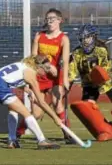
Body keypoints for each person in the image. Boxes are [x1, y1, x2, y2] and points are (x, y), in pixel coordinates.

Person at [16, 8, 74, 144]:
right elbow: (33, 58)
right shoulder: (39, 36)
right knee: (36, 113)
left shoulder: (63, 39)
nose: (49, 21)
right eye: (47, 19)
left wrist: (65, 79)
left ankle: (68, 134)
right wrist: (47, 65)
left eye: (52, 19)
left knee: (58, 105)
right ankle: (17, 133)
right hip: (40, 77)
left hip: (55, 78)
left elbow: (65, 61)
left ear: (60, 20)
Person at [0, 54, 62, 149]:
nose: (47, 72)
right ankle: (42, 140)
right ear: (39, 67)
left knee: (13, 109)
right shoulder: (31, 74)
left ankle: (12, 141)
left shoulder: (23, 66)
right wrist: (55, 118)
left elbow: (12, 79)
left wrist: (29, 91)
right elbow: (42, 102)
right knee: (26, 113)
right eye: (46, 68)